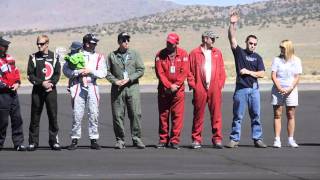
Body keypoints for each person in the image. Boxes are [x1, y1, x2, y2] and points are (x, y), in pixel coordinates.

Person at [226, 11, 267, 148]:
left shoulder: (258, 58)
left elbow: (262, 73)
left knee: (256, 115)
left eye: (255, 44)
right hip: (241, 90)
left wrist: (248, 72)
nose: (253, 45)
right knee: (238, 116)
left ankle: (257, 139)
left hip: (254, 90)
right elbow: (232, 38)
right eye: (250, 43)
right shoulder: (239, 53)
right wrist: (232, 24)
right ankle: (234, 139)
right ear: (246, 42)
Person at [63, 34, 107, 150]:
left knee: (94, 113)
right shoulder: (75, 54)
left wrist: (91, 71)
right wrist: (77, 72)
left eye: (95, 43)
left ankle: (94, 139)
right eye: (93, 43)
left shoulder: (99, 57)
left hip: (92, 85)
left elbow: (103, 73)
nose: (95, 45)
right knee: (77, 113)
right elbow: (66, 70)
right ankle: (74, 139)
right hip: (78, 85)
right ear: (86, 43)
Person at [106, 32, 145, 149]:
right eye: (123, 40)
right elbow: (106, 72)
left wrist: (130, 79)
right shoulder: (112, 56)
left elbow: (141, 69)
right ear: (119, 42)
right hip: (118, 89)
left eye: (128, 40)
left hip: (132, 88)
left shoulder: (135, 54)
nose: (126, 42)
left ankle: (137, 138)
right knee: (118, 115)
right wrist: (115, 81)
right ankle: (120, 140)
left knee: (135, 114)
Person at [188, 31, 226, 149]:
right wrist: (194, 85)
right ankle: (196, 139)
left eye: (214, 39)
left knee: (216, 114)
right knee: (198, 114)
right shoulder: (194, 53)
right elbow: (189, 71)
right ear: (205, 39)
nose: (214, 41)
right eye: (212, 39)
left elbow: (222, 70)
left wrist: (219, 84)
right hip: (200, 87)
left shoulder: (217, 53)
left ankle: (217, 139)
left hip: (214, 88)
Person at [154, 33, 189, 149]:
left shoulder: (183, 54)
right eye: (168, 42)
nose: (168, 44)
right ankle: (163, 139)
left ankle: (175, 140)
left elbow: (184, 72)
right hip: (164, 90)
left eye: (171, 43)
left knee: (177, 116)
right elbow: (160, 73)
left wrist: (177, 85)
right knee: (163, 115)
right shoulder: (160, 55)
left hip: (178, 91)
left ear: (176, 44)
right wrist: (169, 86)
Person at [27, 35, 61, 151]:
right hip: (37, 91)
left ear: (47, 44)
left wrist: (51, 83)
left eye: (41, 44)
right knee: (35, 117)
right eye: (37, 44)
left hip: (51, 91)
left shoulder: (55, 57)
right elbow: (30, 75)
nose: (39, 46)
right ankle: (33, 142)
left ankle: (54, 141)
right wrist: (41, 83)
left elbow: (57, 74)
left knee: (53, 116)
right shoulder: (33, 57)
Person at [271, 40, 302, 148]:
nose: (281, 49)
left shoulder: (296, 60)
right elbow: (273, 75)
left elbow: (297, 76)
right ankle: (277, 140)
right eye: (280, 47)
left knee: (290, 114)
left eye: (283, 47)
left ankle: (290, 139)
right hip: (277, 90)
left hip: (291, 91)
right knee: (277, 114)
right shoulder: (277, 59)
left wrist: (290, 88)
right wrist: (279, 87)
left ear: (288, 48)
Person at [0, 37, 26, 151]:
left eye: (7, 46)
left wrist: (17, 82)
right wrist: (6, 87)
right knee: (2, 121)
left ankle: (18, 143)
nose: (6, 48)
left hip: (13, 94)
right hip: (3, 95)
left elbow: (15, 72)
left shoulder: (10, 58)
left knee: (17, 119)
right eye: (4, 46)